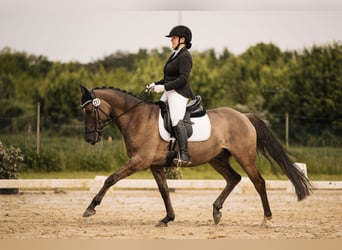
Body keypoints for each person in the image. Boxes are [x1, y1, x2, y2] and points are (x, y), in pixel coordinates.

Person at [146, 25, 195, 167]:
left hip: (179, 93)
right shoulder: (175, 54)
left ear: (182, 39)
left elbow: (183, 79)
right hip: (170, 92)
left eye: (173, 38)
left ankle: (184, 154)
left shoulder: (185, 55)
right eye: (172, 38)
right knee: (157, 112)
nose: (171, 41)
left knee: (175, 118)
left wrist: (163, 87)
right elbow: (168, 77)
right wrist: (155, 84)